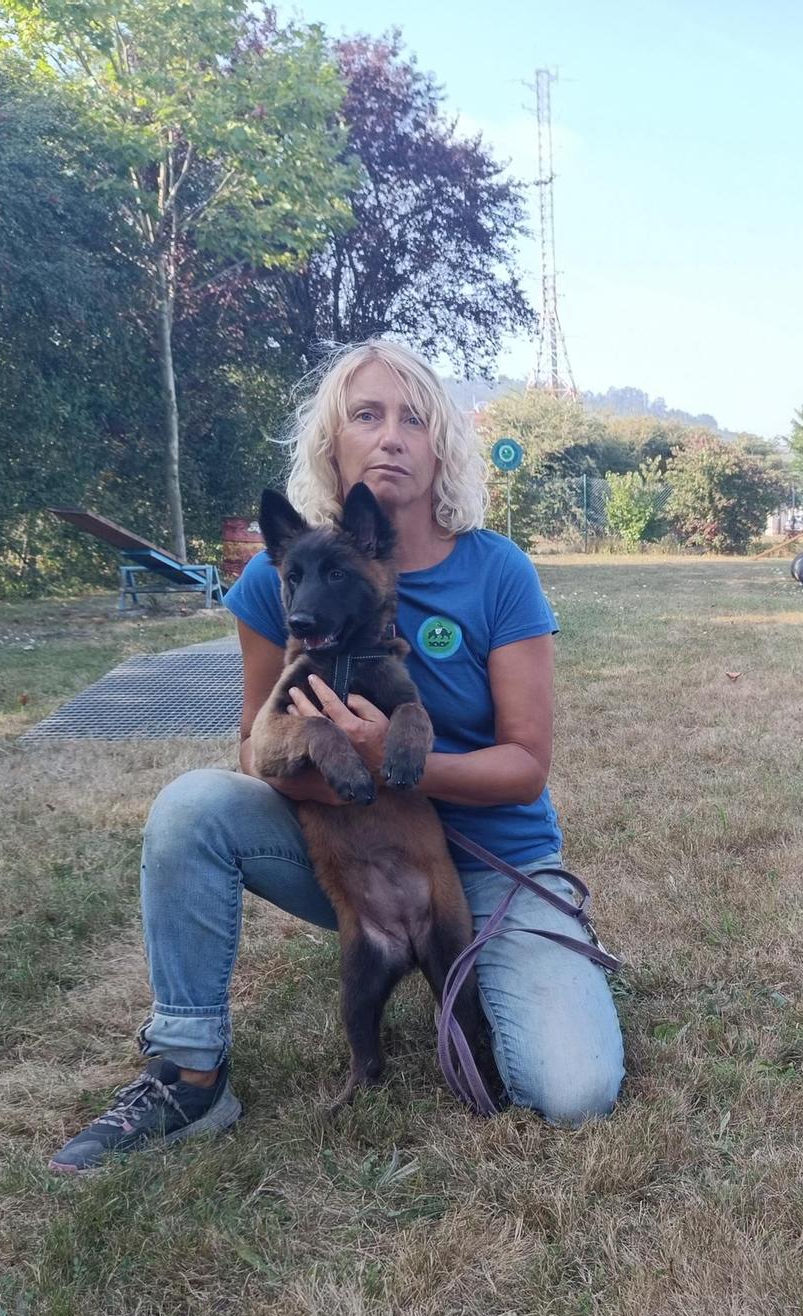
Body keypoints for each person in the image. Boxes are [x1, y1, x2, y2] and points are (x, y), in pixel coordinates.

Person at [53, 339, 624, 1171]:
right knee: (193, 807)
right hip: (351, 848)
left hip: (495, 861)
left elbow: (525, 767)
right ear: (333, 443)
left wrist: (394, 757)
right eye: (366, 415)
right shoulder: (277, 579)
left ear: (442, 448)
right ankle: (187, 1071)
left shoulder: (497, 572)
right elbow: (256, 747)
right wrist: (337, 764)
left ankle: (524, 957)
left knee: (573, 1090)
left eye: (413, 419)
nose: (390, 436)